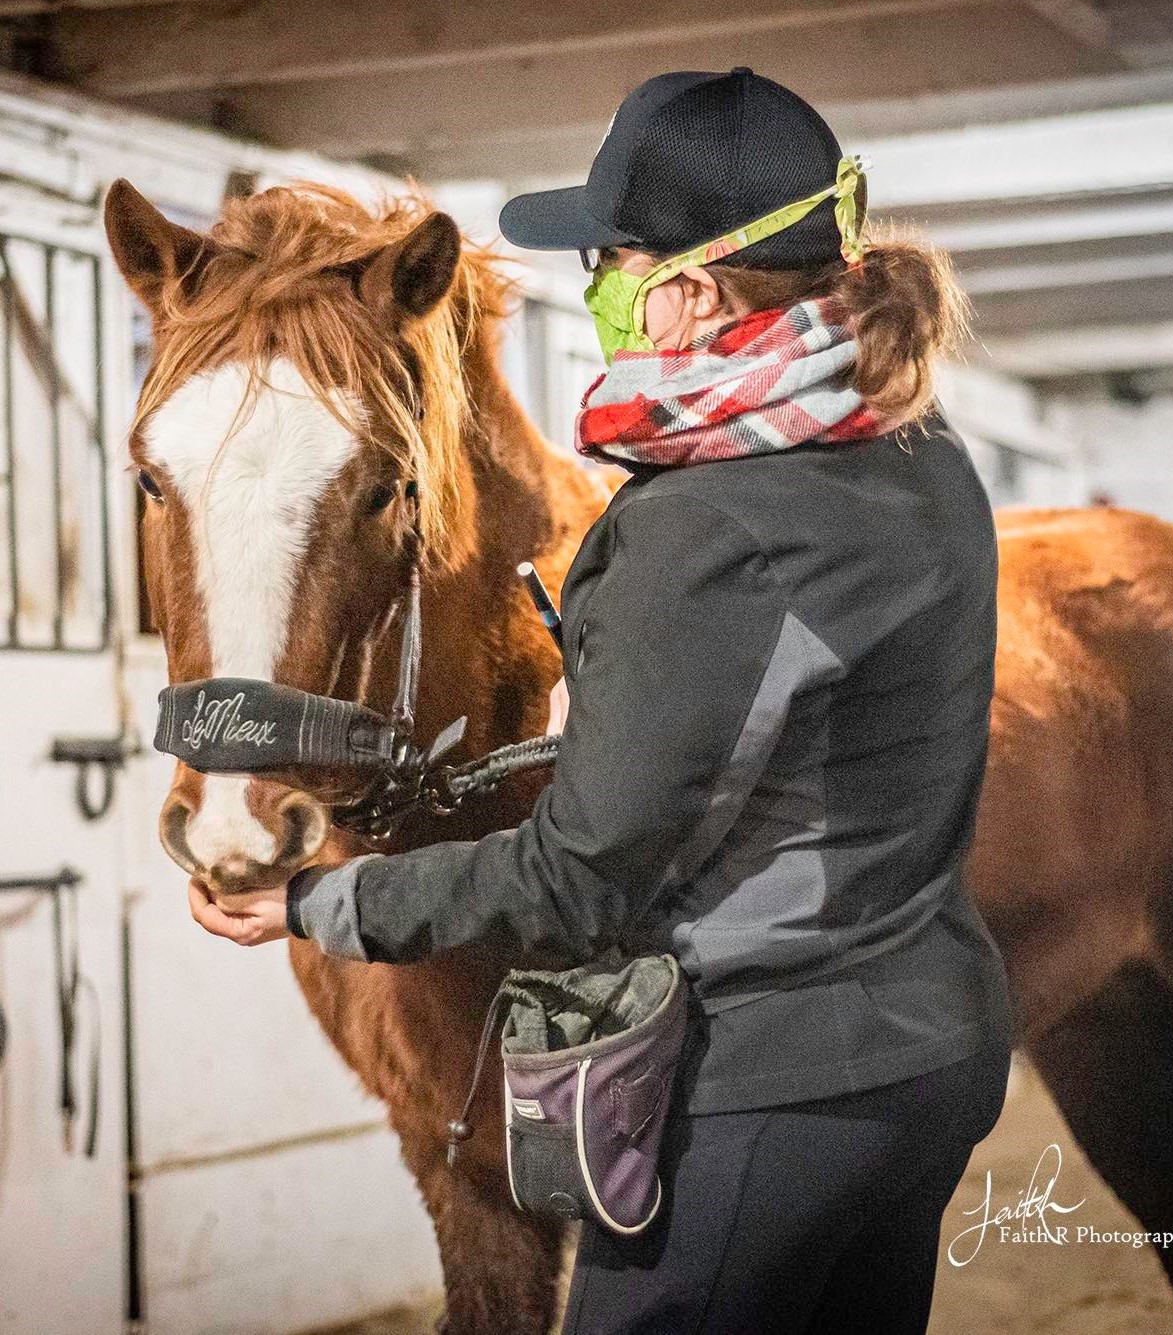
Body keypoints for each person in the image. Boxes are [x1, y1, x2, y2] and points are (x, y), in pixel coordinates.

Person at [193, 68, 1014, 1335]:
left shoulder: (701, 523)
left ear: (684, 289)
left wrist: (319, 899)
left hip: (768, 1089)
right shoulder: (918, 449)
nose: (595, 290)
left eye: (608, 259)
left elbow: (584, 873)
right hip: (928, 1050)